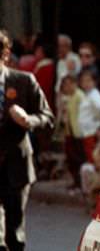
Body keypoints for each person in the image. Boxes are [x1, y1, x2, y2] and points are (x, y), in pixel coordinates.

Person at [0, 29, 55, 251]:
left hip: (15, 165)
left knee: (14, 233)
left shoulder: (23, 81)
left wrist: (27, 120)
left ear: (4, 54)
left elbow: (47, 117)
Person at [77, 69, 100, 163]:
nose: (86, 83)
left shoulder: (94, 94)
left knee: (93, 154)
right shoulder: (84, 94)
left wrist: (96, 118)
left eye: (88, 81)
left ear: (94, 82)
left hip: (92, 129)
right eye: (83, 81)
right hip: (85, 131)